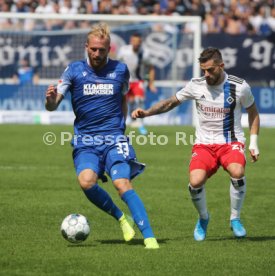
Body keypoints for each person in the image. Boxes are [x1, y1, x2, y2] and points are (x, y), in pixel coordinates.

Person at [45, 23, 159, 249]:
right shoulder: (73, 70)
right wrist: (49, 99)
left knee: (122, 183)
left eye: (102, 50)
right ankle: (121, 218)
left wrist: (121, 127)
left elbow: (123, 97)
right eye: (93, 49)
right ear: (86, 47)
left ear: (110, 49)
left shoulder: (120, 70)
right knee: (86, 182)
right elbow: (53, 105)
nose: (97, 54)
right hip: (86, 140)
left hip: (114, 139)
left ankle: (149, 237)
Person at [132, 47, 260, 241]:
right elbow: (170, 102)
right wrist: (148, 112)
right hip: (204, 144)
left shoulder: (240, 86)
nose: (206, 74)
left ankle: (235, 218)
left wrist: (254, 142)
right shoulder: (196, 85)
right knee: (195, 181)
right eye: (203, 70)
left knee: (237, 171)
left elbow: (253, 112)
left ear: (221, 66)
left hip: (230, 142)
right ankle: (203, 218)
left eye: (210, 70)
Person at [117, 33, 157, 135]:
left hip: (138, 81)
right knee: (126, 102)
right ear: (131, 41)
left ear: (140, 42)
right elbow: (116, 65)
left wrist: (151, 83)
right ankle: (124, 123)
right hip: (125, 81)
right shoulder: (123, 51)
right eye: (134, 41)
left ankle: (141, 125)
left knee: (139, 100)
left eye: (138, 42)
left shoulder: (145, 53)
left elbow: (151, 67)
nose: (136, 44)